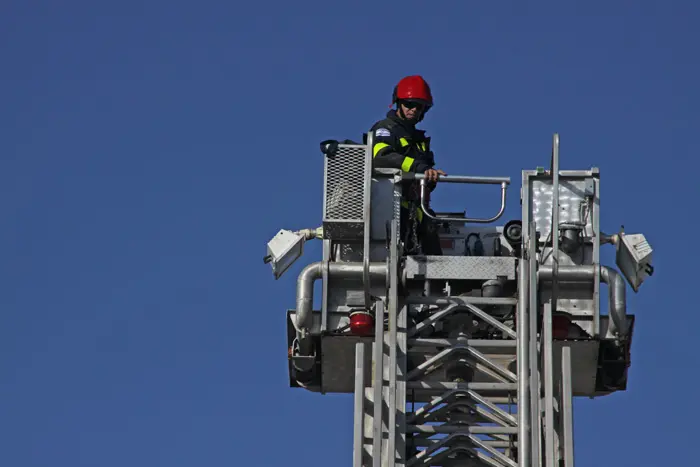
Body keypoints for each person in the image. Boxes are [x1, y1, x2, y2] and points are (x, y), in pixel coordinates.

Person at [369, 75, 446, 255]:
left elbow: (423, 173)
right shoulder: (385, 129)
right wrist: (419, 169)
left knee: (435, 267)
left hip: (417, 212)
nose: (413, 109)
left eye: (418, 106)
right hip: (390, 210)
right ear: (398, 103)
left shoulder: (419, 140)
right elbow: (381, 156)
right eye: (409, 104)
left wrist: (430, 177)